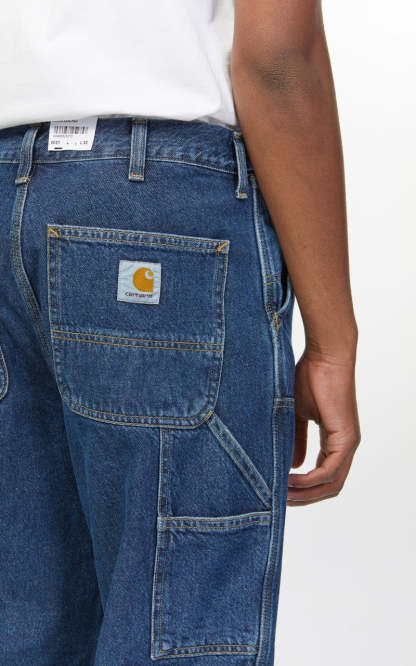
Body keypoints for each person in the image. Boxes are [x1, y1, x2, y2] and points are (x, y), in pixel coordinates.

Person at [0, 1, 360, 664]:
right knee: (177, 635)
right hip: (157, 205)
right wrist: (333, 342)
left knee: (24, 621)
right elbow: (278, 57)